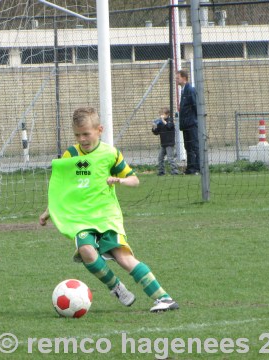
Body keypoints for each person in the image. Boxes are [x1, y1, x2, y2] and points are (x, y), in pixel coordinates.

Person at [39, 107, 179, 313]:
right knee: (86, 250)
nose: (82, 139)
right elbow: (63, 188)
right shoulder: (70, 154)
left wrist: (119, 180)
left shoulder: (110, 154)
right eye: (77, 135)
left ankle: (163, 298)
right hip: (80, 217)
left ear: (99, 130)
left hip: (106, 215)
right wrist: (49, 210)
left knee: (123, 258)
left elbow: (135, 180)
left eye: (86, 134)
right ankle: (116, 287)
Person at [176, 69, 200, 175]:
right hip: (185, 125)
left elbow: (196, 106)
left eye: (178, 78)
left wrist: (195, 120)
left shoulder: (190, 90)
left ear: (184, 78)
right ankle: (190, 169)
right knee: (188, 147)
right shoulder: (183, 90)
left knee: (195, 146)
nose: (176, 80)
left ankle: (198, 168)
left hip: (191, 124)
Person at [151, 106, 179, 176]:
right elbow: (156, 132)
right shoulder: (160, 123)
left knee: (170, 158)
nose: (161, 116)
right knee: (160, 158)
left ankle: (175, 171)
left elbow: (169, 127)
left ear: (167, 114)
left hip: (169, 144)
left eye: (162, 114)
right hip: (163, 144)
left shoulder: (170, 120)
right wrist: (154, 127)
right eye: (160, 114)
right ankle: (161, 171)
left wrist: (163, 121)